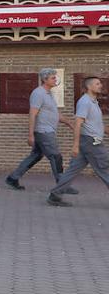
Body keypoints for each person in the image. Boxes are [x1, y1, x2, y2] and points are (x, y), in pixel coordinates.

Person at [6, 68, 77, 193]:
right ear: (45, 79)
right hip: (43, 131)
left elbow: (54, 114)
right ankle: (61, 185)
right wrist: (30, 135)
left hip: (47, 130)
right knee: (55, 157)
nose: (56, 79)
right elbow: (32, 114)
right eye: (53, 78)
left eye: (55, 77)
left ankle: (13, 178)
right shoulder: (38, 93)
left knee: (36, 155)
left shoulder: (49, 94)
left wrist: (69, 123)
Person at [47, 77, 108, 207]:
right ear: (89, 87)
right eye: (97, 84)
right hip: (92, 143)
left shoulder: (93, 102)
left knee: (73, 170)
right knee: (105, 168)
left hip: (89, 142)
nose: (100, 85)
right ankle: (55, 195)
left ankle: (55, 195)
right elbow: (78, 123)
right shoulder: (85, 102)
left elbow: (93, 124)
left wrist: (104, 131)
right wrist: (75, 145)